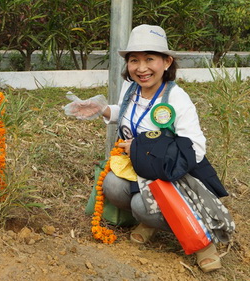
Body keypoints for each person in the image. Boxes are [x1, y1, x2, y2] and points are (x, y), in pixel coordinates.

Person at [65, 24, 234, 273]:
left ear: (167, 62)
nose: (141, 68)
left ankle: (203, 244)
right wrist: (103, 109)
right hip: (141, 168)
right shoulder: (131, 89)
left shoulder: (177, 99)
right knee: (112, 185)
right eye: (134, 60)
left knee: (142, 206)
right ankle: (150, 222)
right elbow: (129, 116)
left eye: (150, 59)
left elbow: (195, 148)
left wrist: (148, 149)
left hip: (174, 175)